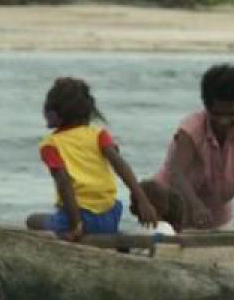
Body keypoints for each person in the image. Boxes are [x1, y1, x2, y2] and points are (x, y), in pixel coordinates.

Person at [140, 64, 234, 230]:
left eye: (232, 114)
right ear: (207, 107)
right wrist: (196, 205)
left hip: (216, 213)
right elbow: (177, 174)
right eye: (217, 114)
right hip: (169, 208)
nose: (223, 121)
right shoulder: (191, 128)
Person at [27, 77, 158, 240]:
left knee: (33, 220)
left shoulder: (50, 145)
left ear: (56, 112)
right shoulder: (99, 134)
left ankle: (73, 229)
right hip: (110, 217)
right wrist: (143, 200)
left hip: (78, 217)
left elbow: (64, 183)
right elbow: (120, 165)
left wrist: (76, 224)